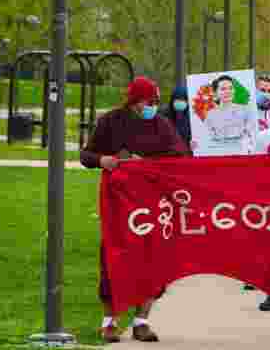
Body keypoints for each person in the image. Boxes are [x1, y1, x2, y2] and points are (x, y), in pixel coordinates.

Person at [80, 76, 191, 343]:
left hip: (151, 200)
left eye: (156, 101)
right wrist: (102, 160)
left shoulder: (160, 124)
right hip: (118, 202)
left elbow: (181, 155)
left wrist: (148, 164)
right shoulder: (110, 121)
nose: (153, 105)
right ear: (134, 101)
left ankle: (142, 320)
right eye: (148, 101)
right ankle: (109, 321)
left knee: (152, 256)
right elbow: (86, 155)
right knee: (114, 255)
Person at [202, 75, 255, 154]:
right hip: (220, 156)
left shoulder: (245, 110)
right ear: (215, 93)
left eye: (230, 88)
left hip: (242, 155)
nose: (228, 91)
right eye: (223, 89)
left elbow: (251, 135)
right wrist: (197, 145)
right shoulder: (210, 115)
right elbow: (206, 139)